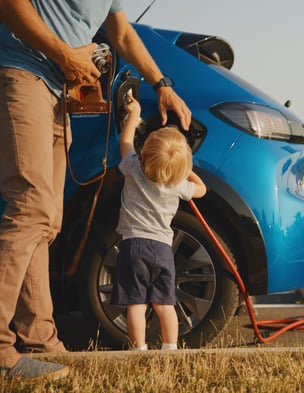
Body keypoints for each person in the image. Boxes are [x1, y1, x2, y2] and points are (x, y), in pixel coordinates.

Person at [0, 0, 191, 381]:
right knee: (31, 209)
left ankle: (39, 339)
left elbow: (121, 33)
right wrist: (65, 54)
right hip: (22, 71)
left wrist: (161, 84)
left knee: (48, 220)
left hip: (58, 90)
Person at [110, 92, 206, 351]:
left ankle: (139, 349)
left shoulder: (133, 168)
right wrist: (184, 170)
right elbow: (202, 190)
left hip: (133, 247)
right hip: (162, 250)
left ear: (145, 153)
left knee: (136, 304)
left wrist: (134, 114)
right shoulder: (178, 185)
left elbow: (126, 141)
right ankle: (170, 348)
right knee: (165, 304)